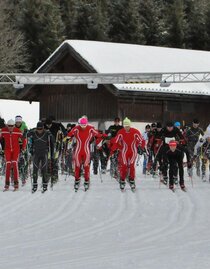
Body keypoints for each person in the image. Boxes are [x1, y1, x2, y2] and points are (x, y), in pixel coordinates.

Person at [67, 116, 104, 191]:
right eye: (81, 125)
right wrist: (68, 138)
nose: (83, 127)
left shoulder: (90, 128)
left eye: (84, 125)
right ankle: (77, 180)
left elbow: (98, 134)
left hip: (86, 150)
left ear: (86, 124)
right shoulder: (76, 128)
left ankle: (86, 181)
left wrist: (104, 136)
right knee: (77, 165)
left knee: (86, 166)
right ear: (79, 124)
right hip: (78, 150)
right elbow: (69, 135)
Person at [111, 117, 145, 191]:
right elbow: (115, 141)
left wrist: (141, 147)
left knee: (132, 165)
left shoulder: (135, 131)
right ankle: (122, 179)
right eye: (125, 126)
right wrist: (113, 149)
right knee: (124, 165)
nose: (126, 127)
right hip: (124, 151)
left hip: (133, 151)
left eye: (128, 126)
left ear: (130, 125)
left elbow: (141, 140)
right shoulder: (120, 132)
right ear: (123, 126)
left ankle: (132, 179)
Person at [0, 119, 26, 191]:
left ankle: (16, 184)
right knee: (8, 165)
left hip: (15, 150)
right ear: (7, 125)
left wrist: (23, 148)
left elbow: (24, 139)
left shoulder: (17, 131)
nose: (10, 127)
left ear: (14, 125)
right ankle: (7, 184)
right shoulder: (3, 130)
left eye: (12, 126)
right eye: (9, 126)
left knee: (14, 164)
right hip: (7, 149)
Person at [28, 122, 54, 193]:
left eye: (41, 129)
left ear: (43, 128)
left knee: (44, 169)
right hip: (36, 153)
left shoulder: (46, 133)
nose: (39, 130)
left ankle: (45, 184)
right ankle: (35, 184)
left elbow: (52, 142)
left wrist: (51, 135)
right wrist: (27, 133)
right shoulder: (34, 133)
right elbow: (26, 135)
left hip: (44, 153)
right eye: (38, 129)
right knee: (35, 169)